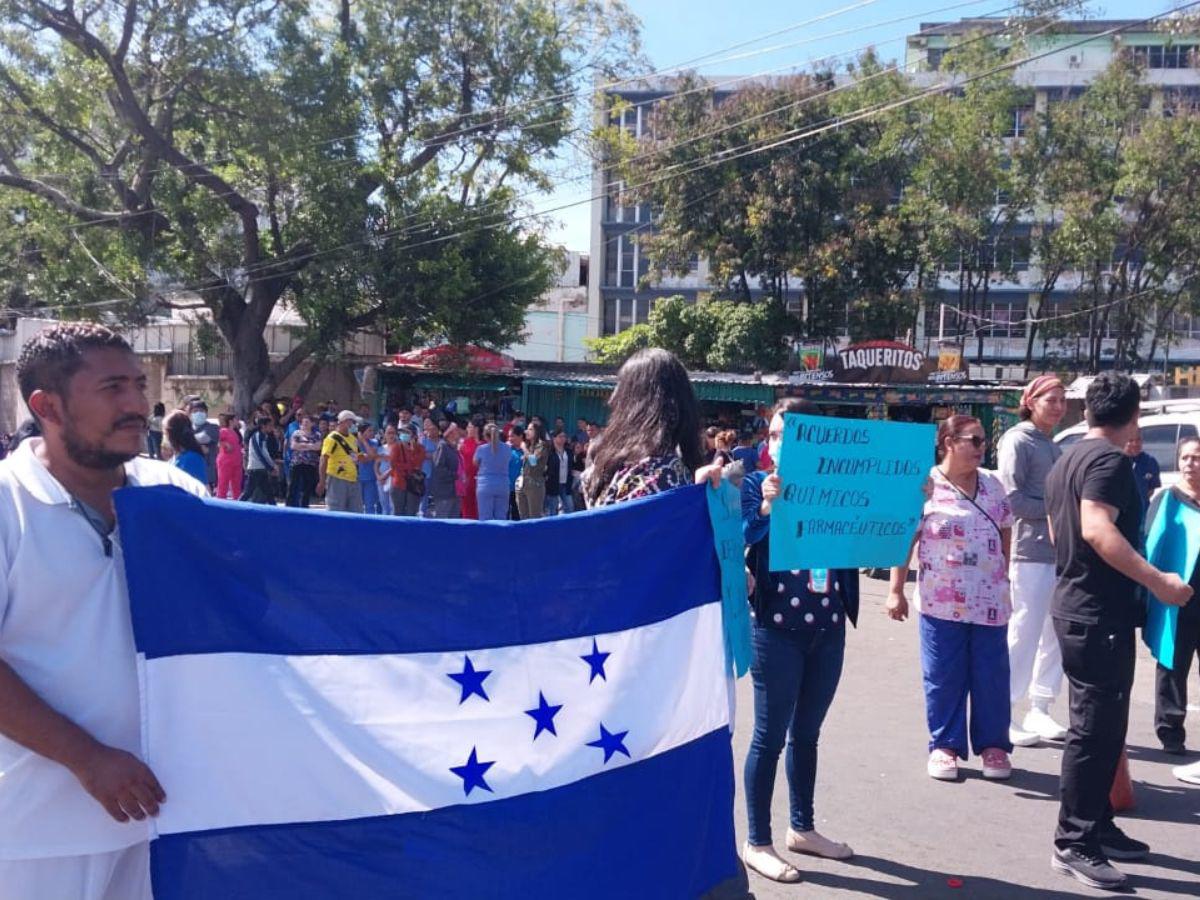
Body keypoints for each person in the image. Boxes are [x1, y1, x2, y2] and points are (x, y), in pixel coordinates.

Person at [0, 323, 209, 900]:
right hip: (35, 833)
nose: (137, 404)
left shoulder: (176, 497)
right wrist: (86, 758)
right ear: (47, 406)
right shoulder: (7, 505)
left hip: (170, 818)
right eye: (113, 388)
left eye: (138, 385)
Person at [1044, 372, 1193, 890]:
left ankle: (1097, 824)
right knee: (1092, 731)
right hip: (1094, 614)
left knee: (1104, 728)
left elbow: (1057, 530)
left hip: (1082, 607)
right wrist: (1158, 581)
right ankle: (1074, 841)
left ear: (1088, 410)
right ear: (1134, 415)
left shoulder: (1068, 459)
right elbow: (1094, 528)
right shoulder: (1108, 462)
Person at [740, 398, 858, 884]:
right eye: (773, 434)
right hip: (775, 629)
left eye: (788, 433)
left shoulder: (838, 489)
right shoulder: (755, 483)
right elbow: (742, 534)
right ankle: (757, 842)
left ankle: (802, 828)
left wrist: (905, 500)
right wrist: (768, 505)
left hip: (827, 628)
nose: (778, 442)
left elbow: (873, 530)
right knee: (768, 737)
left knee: (807, 734)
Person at [888, 415, 1015, 784]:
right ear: (948, 442)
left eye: (982, 441)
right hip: (940, 603)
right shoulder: (924, 486)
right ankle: (945, 745)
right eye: (973, 440)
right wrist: (895, 591)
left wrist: (1004, 573)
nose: (981, 447)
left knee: (992, 677)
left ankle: (994, 745)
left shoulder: (992, 484)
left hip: (990, 602)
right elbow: (904, 540)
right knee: (943, 675)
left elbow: (1005, 530)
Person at [997, 375, 1069, 747]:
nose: (1058, 407)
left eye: (1062, 400)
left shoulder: (1052, 445)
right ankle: (1003, 710)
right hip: (1028, 552)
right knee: (1023, 633)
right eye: (1050, 400)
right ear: (1030, 402)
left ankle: (1040, 706)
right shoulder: (1017, 440)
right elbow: (1011, 500)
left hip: (1059, 554)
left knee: (1056, 632)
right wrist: (1059, 511)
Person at [584, 348, 709, 507]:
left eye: (622, 387)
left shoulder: (655, 477)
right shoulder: (662, 471)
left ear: (641, 403)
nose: (612, 399)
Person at [1148, 437, 1200, 756]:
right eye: (1185, 457)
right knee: (1172, 665)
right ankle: (1170, 732)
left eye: (1197, 457)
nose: (1190, 463)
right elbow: (1151, 544)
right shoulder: (1167, 499)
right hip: (1177, 599)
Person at [318, 410, 366, 514]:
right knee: (336, 511)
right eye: (352, 422)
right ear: (344, 421)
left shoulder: (353, 438)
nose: (353, 425)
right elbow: (323, 459)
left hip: (353, 479)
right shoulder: (332, 438)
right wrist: (322, 481)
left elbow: (360, 457)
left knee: (356, 512)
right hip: (337, 478)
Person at [473, 424, 512, 521]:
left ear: (485, 436)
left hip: (485, 484)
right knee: (501, 517)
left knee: (485, 518)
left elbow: (475, 463)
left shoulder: (481, 449)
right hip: (503, 484)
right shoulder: (507, 448)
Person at [389, 423, 426, 517]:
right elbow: (393, 464)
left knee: (412, 513)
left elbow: (418, 464)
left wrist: (413, 449)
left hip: (414, 484)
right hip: (399, 483)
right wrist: (409, 466)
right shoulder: (396, 447)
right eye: (402, 432)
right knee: (398, 513)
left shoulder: (420, 448)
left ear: (414, 435)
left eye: (407, 432)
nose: (404, 434)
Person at [163, 410, 208, 487]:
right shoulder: (175, 458)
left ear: (171, 434)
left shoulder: (192, 459)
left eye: (165, 433)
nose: (164, 437)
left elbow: (204, 489)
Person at [426, 421, 461, 519]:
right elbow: (439, 468)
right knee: (443, 520)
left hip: (454, 492)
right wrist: (455, 475)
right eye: (455, 430)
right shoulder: (442, 447)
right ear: (450, 433)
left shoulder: (452, 447)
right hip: (444, 493)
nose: (458, 432)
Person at [243, 416, 279, 505]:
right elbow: (261, 454)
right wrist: (271, 467)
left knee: (268, 492)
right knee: (248, 492)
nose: (272, 428)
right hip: (256, 469)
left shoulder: (263, 436)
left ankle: (275, 509)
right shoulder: (257, 436)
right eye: (270, 425)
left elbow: (265, 453)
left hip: (261, 469)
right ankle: (236, 508)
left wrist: (271, 466)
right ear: (263, 426)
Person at [516, 422, 548, 519]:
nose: (527, 431)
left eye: (530, 429)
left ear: (537, 431)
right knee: (523, 515)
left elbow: (533, 462)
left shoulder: (541, 445)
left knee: (534, 515)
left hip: (535, 483)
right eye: (527, 429)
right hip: (523, 482)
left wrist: (524, 448)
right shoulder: (529, 445)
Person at [1124, 428, 1161, 514]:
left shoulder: (1150, 461)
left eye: (1138, 440)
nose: (1135, 444)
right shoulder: (1116, 461)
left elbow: (1151, 490)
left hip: (1143, 512)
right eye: (1131, 440)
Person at [287, 415, 320, 508]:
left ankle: (304, 505)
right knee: (293, 484)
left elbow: (317, 447)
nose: (305, 424)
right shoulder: (296, 433)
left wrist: (302, 445)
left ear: (312, 424)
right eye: (303, 422)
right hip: (297, 462)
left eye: (307, 422)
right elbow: (293, 446)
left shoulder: (316, 434)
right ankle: (290, 504)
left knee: (307, 485)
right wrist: (310, 445)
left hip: (310, 463)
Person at [187, 399, 220, 490]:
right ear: (190, 415)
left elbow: (202, 438)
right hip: (190, 471)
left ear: (206, 413)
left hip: (207, 473)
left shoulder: (213, 428)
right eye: (195, 411)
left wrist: (187, 441)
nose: (198, 413)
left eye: (201, 411)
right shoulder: (187, 429)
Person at [544, 430, 575, 516]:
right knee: (552, 509)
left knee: (569, 507)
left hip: (566, 483)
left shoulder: (568, 451)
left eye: (564, 436)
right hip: (553, 483)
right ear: (554, 438)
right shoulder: (549, 452)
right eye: (560, 436)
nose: (562, 439)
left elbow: (572, 465)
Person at [215, 413, 244, 501]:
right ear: (231, 421)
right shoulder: (223, 431)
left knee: (236, 485)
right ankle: (220, 503)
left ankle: (237, 502)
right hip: (226, 461)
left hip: (236, 462)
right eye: (236, 420)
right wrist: (225, 444)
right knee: (223, 483)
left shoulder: (235, 432)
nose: (237, 421)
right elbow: (218, 440)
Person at [357, 423, 382, 514]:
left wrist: (364, 441)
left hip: (371, 478)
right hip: (357, 478)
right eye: (369, 431)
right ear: (361, 432)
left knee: (370, 505)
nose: (372, 433)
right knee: (357, 505)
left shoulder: (374, 442)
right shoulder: (354, 443)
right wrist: (366, 457)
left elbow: (372, 455)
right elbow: (362, 459)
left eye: (372, 430)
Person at [460, 420, 481, 520]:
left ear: (476, 429)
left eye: (470, 427)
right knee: (466, 507)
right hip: (466, 479)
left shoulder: (483, 444)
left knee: (479, 507)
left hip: (479, 479)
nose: (467, 429)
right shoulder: (464, 442)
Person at [375, 424, 396, 516]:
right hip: (381, 481)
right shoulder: (381, 448)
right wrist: (379, 476)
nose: (391, 435)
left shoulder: (399, 448)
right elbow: (376, 464)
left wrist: (385, 475)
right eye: (388, 433)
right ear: (384, 434)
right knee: (384, 506)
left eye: (393, 433)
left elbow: (397, 466)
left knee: (393, 507)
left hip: (393, 479)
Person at [507, 427, 525, 520]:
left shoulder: (526, 450)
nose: (510, 439)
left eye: (512, 436)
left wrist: (525, 450)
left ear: (520, 436)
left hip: (520, 489)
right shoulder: (507, 449)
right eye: (509, 436)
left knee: (517, 515)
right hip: (506, 487)